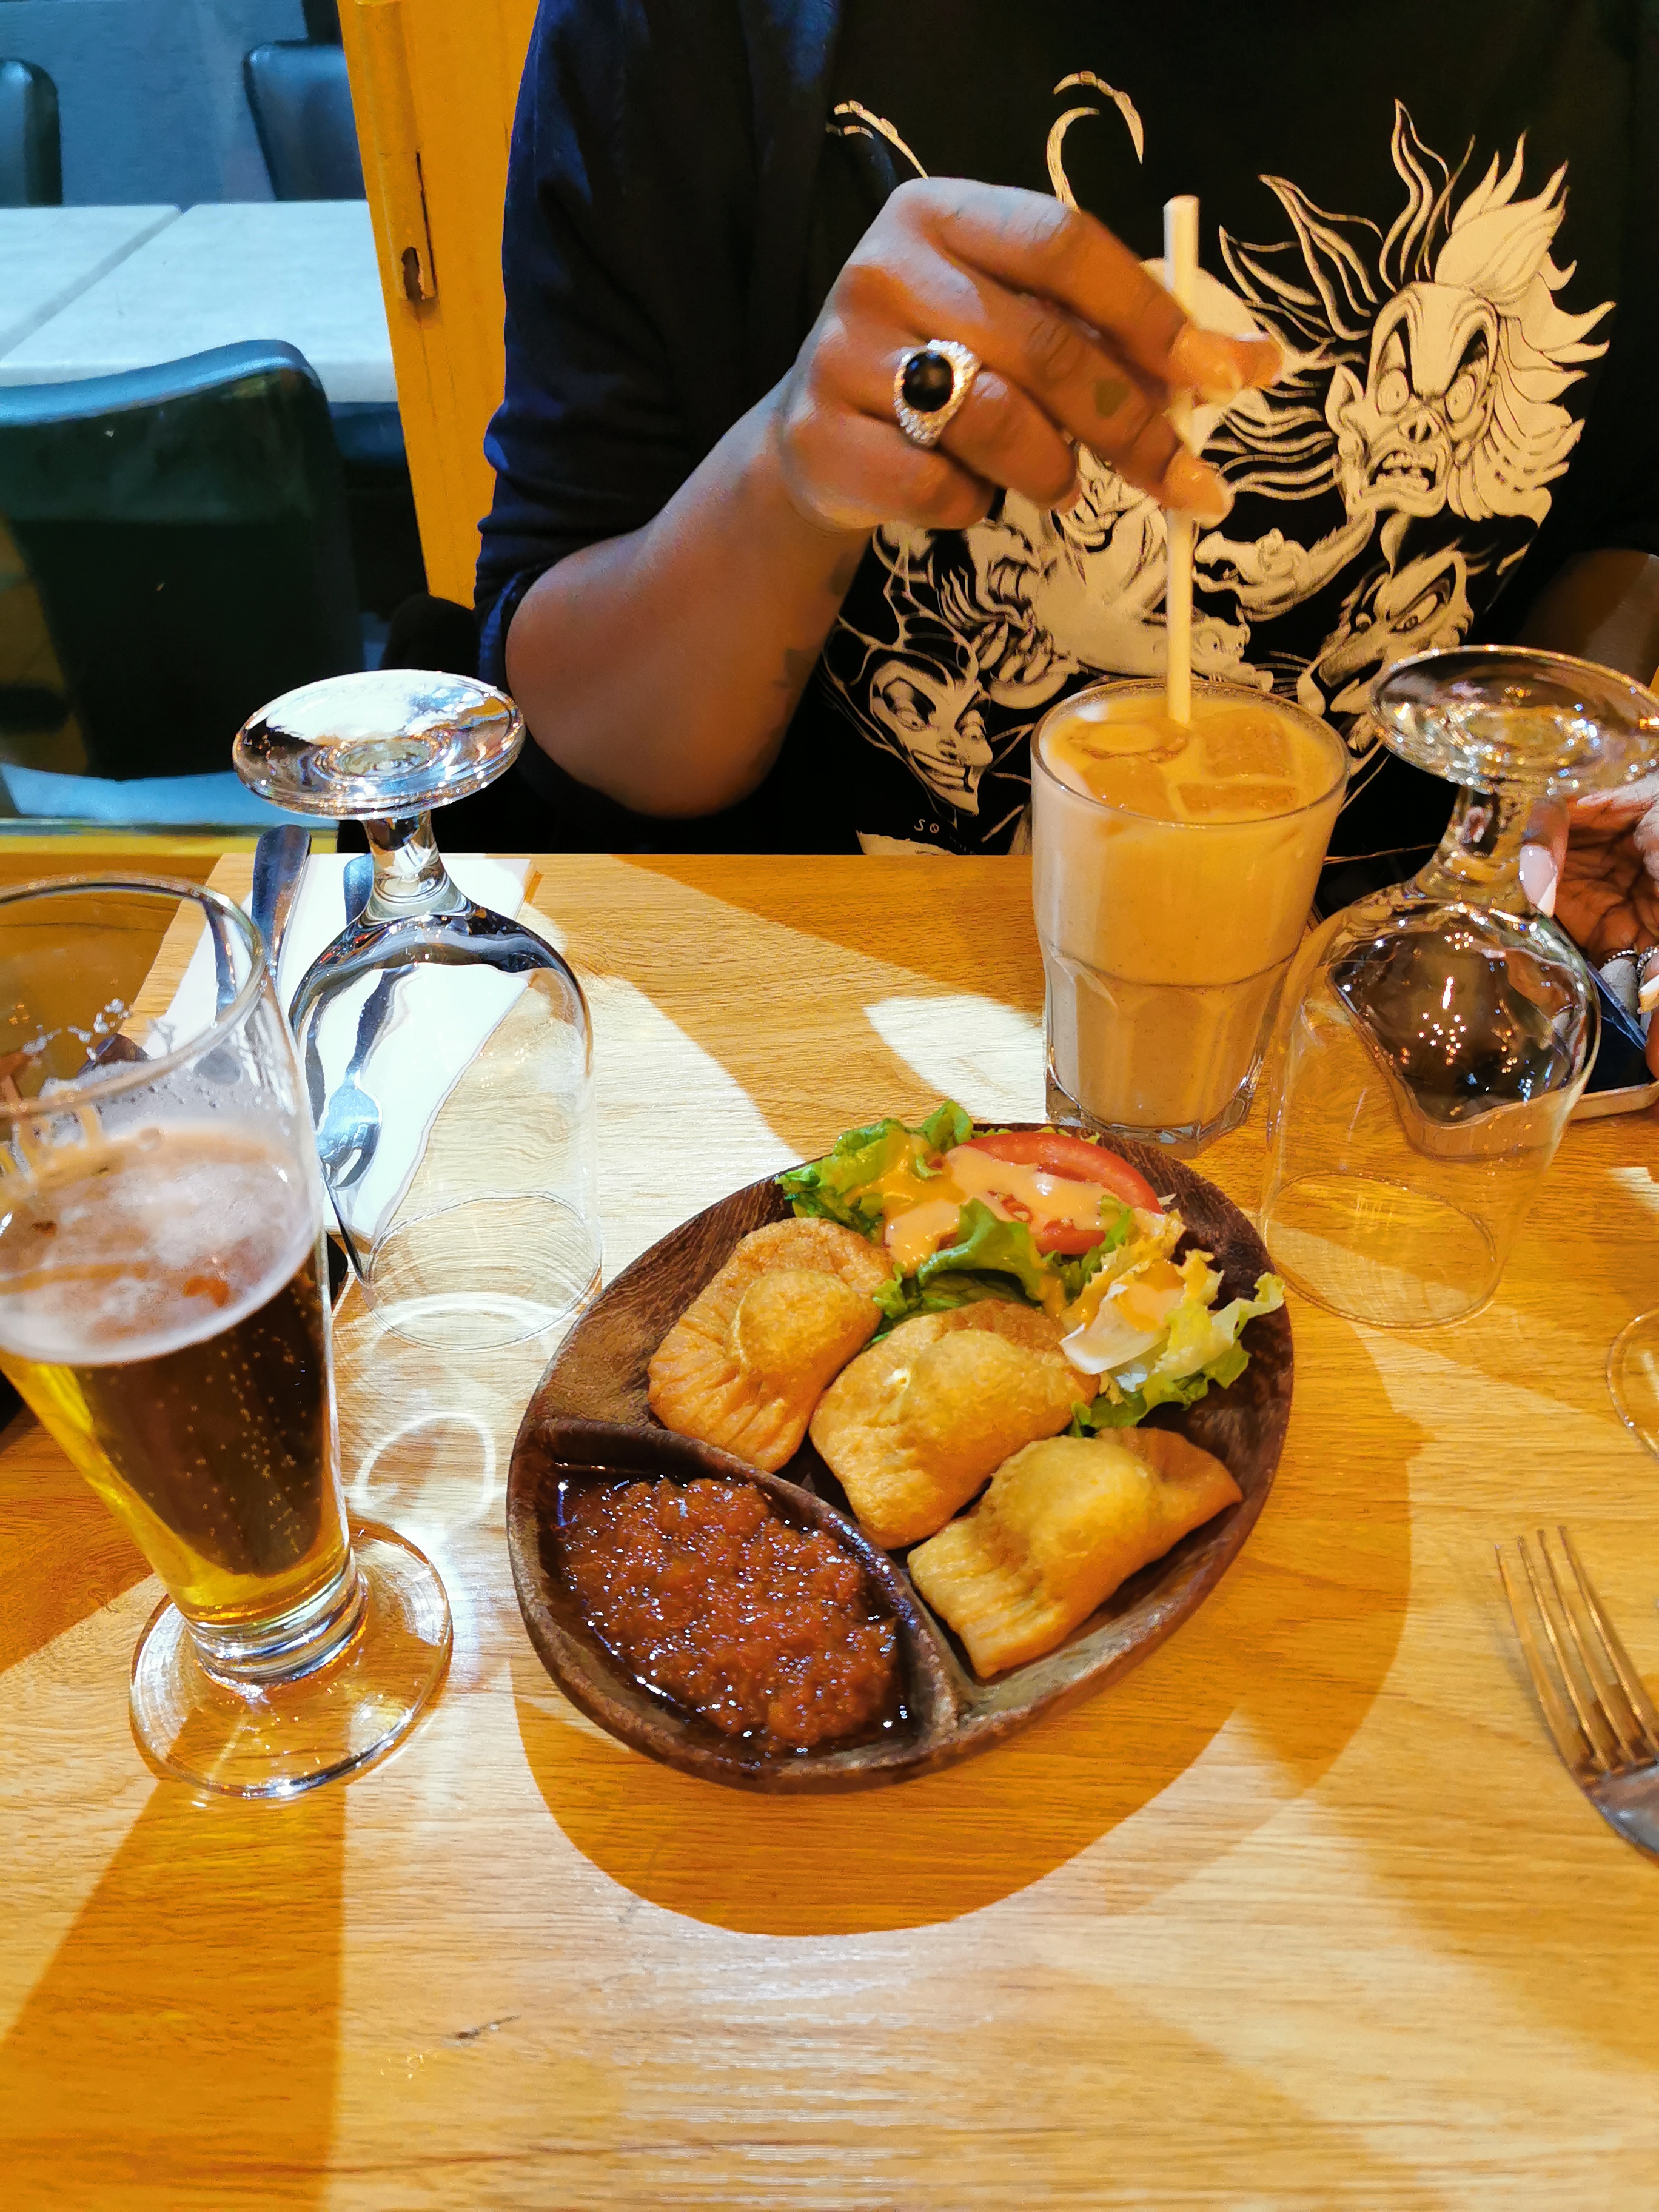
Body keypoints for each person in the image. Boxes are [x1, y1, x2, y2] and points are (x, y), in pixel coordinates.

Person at [477, 0, 1659, 1061]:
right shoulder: (685, 34)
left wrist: (1581, 773)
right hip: (798, 1038)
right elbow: (572, 718)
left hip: (1384, 1055)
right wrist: (788, 475)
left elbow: (1627, 523)